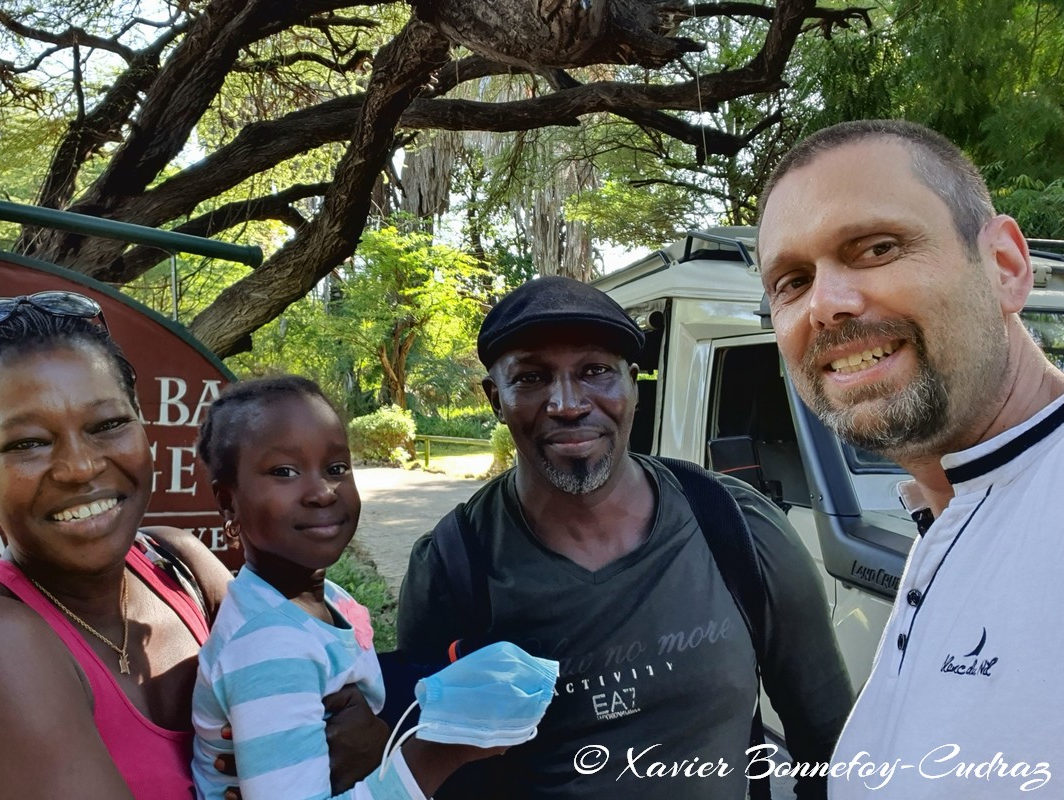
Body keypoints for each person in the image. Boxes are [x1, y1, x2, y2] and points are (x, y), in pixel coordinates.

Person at [0, 293, 384, 799]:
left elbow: (315, 687)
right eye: (29, 442)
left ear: (143, 427)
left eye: (108, 425)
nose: (81, 467)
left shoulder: (181, 569)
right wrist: (415, 758)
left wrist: (365, 735)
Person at [395, 276, 854, 799]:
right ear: (494, 398)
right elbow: (429, 767)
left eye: (595, 371)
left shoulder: (737, 528)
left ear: (634, 384)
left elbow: (830, 742)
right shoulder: (454, 565)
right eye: (531, 377)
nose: (568, 404)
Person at [757, 120, 1064, 797]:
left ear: (1006, 268)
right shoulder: (949, 505)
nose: (826, 306)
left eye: (876, 247)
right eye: (792, 281)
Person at [190, 376, 556, 800]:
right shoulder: (268, 647)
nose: (323, 492)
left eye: (336, 468)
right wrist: (437, 754)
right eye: (284, 472)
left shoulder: (326, 600)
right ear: (227, 502)